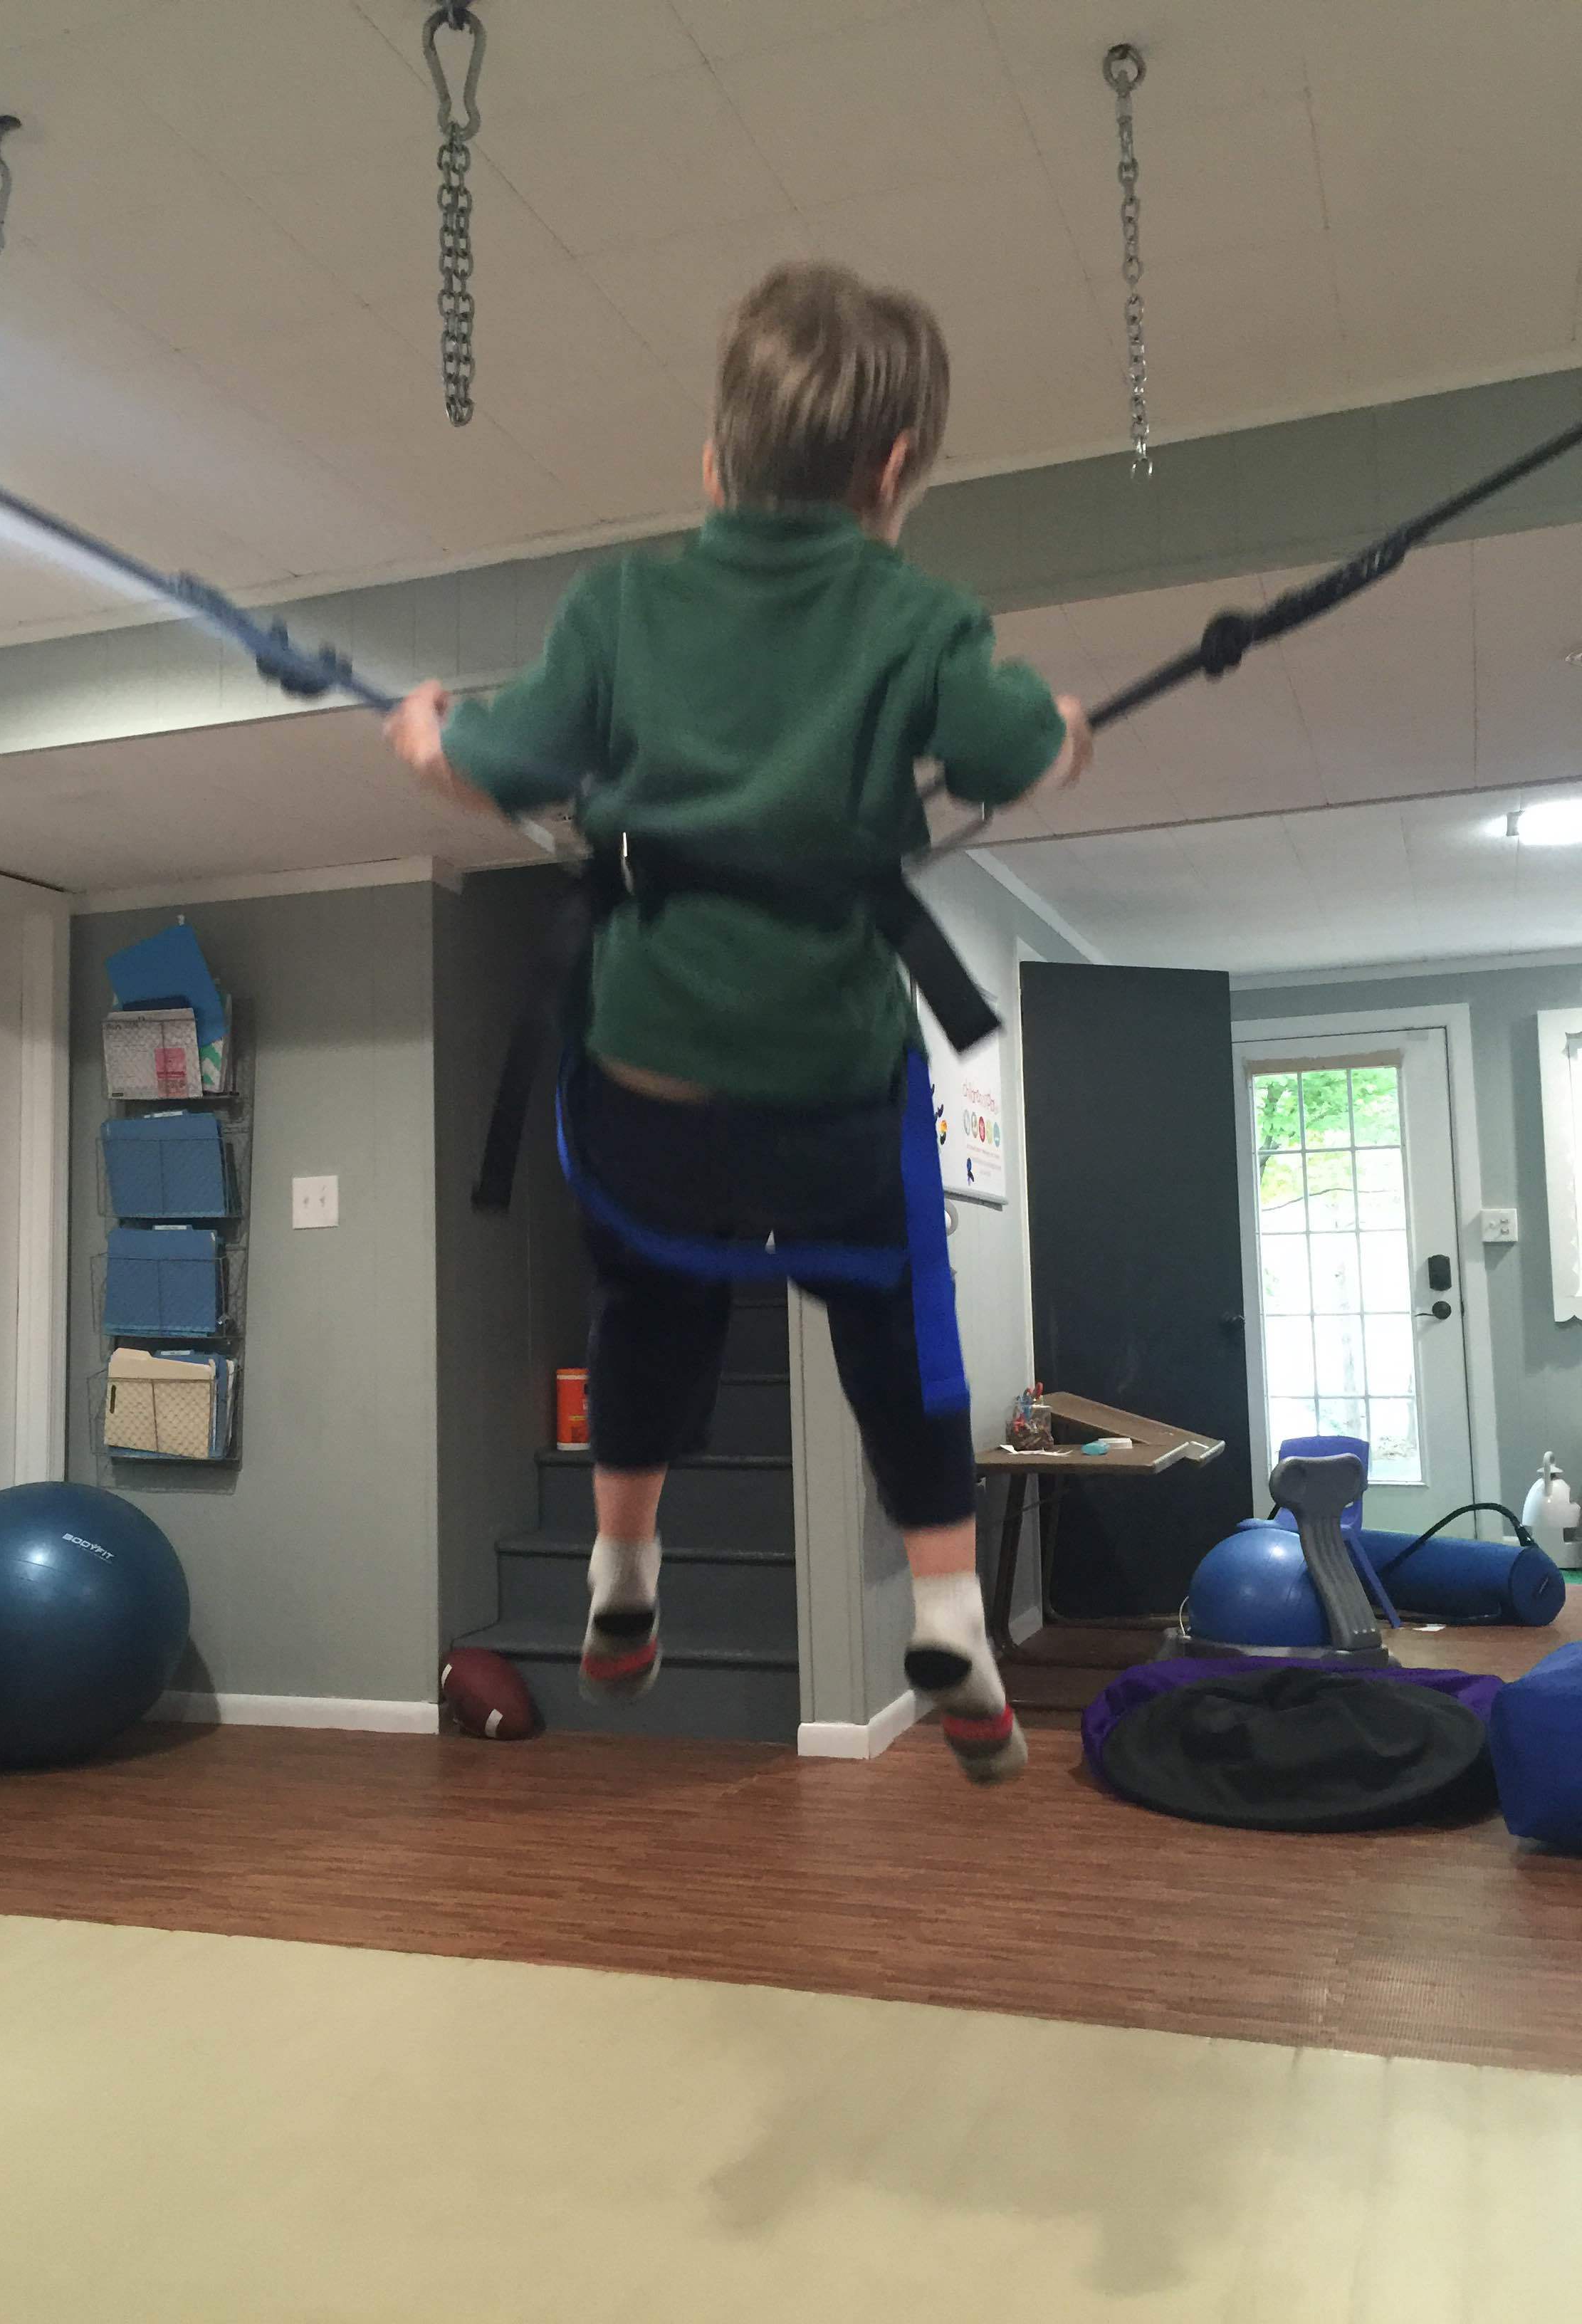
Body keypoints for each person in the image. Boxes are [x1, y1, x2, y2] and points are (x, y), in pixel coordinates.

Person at [387, 262, 1092, 1784]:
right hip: (829, 1086)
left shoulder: (623, 605)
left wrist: (437, 740)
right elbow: (1006, 747)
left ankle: (623, 1570)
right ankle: (952, 1616)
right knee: (898, 1325)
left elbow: (508, 760)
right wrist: (1063, 734)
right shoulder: (917, 615)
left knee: (649, 1306)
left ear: (715, 466)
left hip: (648, 1082)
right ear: (893, 471)